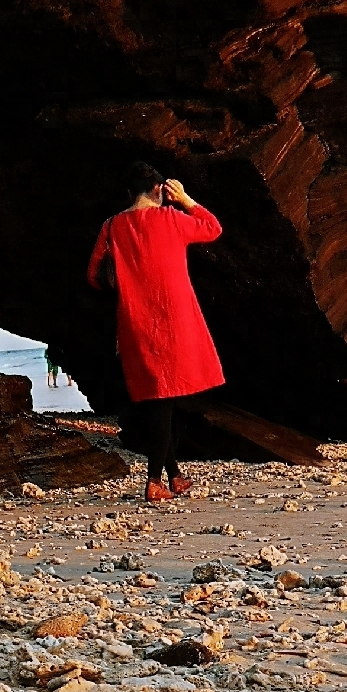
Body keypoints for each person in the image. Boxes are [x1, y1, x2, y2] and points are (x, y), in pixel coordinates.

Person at [87, 162, 224, 502]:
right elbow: (212, 228)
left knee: (161, 396)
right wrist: (187, 200)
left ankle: (174, 476)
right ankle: (152, 481)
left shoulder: (112, 226)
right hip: (173, 320)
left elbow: (94, 276)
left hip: (135, 321)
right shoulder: (171, 220)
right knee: (164, 401)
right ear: (159, 189)